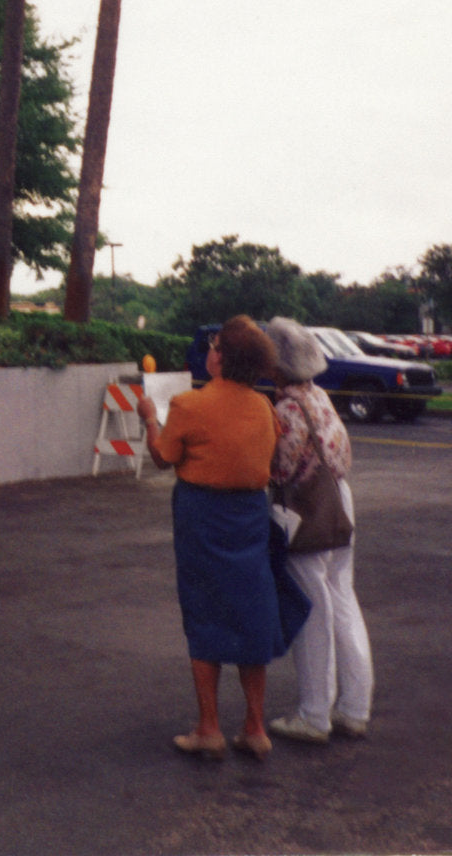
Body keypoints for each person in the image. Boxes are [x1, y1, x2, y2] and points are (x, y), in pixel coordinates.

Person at [137, 315, 297, 761]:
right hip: (249, 518)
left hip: (202, 517)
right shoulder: (264, 408)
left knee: (204, 611)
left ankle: (208, 727)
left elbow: (163, 458)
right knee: (252, 612)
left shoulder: (190, 405)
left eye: (215, 346)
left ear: (220, 358)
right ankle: (255, 726)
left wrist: (150, 419)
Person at [262, 316, 374, 743]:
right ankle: (354, 707)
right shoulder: (321, 397)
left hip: (307, 507)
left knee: (312, 608)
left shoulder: (286, 410)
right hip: (339, 500)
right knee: (342, 598)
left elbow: (280, 469)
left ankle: (314, 714)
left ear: (275, 366)